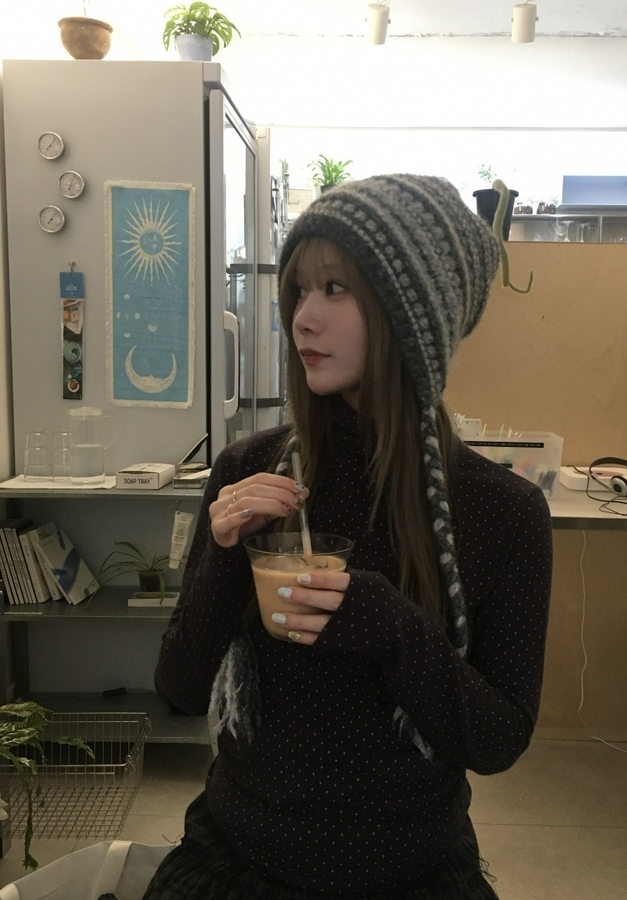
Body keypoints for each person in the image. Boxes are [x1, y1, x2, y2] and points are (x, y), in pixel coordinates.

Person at [144, 174, 553, 899]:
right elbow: (179, 689)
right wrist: (228, 560)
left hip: (413, 869)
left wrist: (393, 627)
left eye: (336, 289)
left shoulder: (502, 512)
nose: (302, 318)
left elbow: (498, 740)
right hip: (240, 858)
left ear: (413, 317)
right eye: (299, 290)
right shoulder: (249, 472)